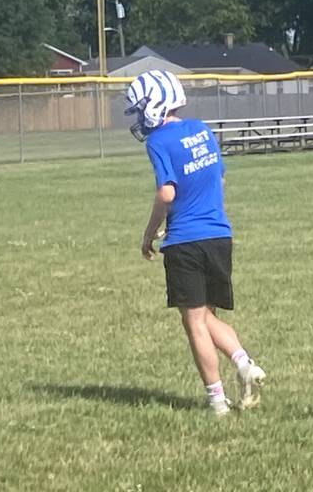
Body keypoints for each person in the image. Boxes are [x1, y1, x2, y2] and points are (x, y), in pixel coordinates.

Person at [125, 69, 266, 417]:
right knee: (207, 315)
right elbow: (219, 177)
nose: (140, 117)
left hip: (185, 241)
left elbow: (166, 192)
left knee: (194, 323)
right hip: (219, 234)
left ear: (154, 105)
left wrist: (149, 232)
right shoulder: (202, 129)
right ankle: (244, 364)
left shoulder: (159, 141)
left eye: (141, 108)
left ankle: (217, 401)